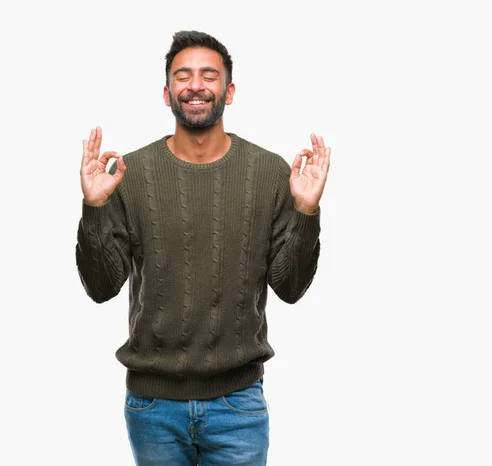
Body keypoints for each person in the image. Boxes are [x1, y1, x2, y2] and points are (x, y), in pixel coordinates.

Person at [76, 30, 330, 465]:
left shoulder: (270, 173)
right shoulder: (128, 174)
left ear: (228, 92)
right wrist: (96, 206)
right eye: (183, 76)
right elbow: (101, 287)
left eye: (208, 76)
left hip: (238, 405)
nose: (195, 85)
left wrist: (306, 211)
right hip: (153, 407)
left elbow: (289, 287)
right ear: (167, 92)